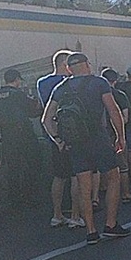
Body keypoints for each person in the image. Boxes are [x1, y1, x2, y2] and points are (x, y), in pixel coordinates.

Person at [42, 52, 130, 244]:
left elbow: (46, 119)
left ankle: (91, 231)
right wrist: (120, 137)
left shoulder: (61, 87)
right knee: (113, 177)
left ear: (69, 68)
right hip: (99, 139)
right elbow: (113, 110)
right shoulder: (99, 83)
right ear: (87, 64)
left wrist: (58, 140)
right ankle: (110, 224)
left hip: (75, 143)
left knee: (84, 186)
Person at [37, 50, 83, 228]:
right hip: (72, 133)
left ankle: (57, 215)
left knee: (59, 176)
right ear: (66, 65)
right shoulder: (69, 83)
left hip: (52, 133)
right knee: (76, 175)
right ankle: (75, 215)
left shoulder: (42, 83)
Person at [0, 68, 40, 209]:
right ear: (17, 79)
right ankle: (30, 197)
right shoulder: (18, 94)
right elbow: (32, 111)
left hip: (6, 135)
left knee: (13, 168)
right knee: (32, 164)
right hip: (23, 134)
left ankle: (14, 199)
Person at [101, 68, 131, 205]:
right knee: (122, 167)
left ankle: (101, 194)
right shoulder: (119, 95)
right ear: (115, 80)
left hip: (101, 134)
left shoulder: (95, 95)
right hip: (116, 134)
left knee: (102, 167)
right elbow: (125, 118)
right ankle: (126, 194)